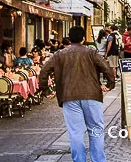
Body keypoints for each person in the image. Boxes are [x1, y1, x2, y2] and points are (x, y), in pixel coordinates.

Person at [38, 25, 115, 162]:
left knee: (75, 132)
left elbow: (44, 71)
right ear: (83, 39)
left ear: (69, 38)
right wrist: (109, 84)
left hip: (70, 96)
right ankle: (98, 160)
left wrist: (45, 90)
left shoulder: (60, 54)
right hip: (92, 95)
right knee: (96, 129)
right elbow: (106, 68)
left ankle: (79, 160)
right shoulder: (91, 53)